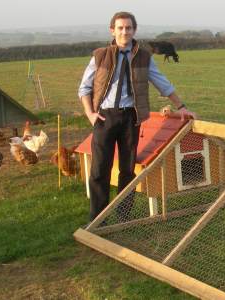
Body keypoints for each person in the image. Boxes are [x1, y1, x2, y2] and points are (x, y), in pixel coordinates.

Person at [78, 11, 196, 222]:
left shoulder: (144, 57)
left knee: (127, 169)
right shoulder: (100, 56)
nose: (125, 31)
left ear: (134, 30)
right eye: (121, 28)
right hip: (105, 118)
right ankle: (98, 219)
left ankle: (123, 216)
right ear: (112, 30)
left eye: (129, 28)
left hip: (131, 118)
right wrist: (90, 114)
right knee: (99, 169)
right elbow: (84, 88)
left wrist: (182, 106)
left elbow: (162, 82)